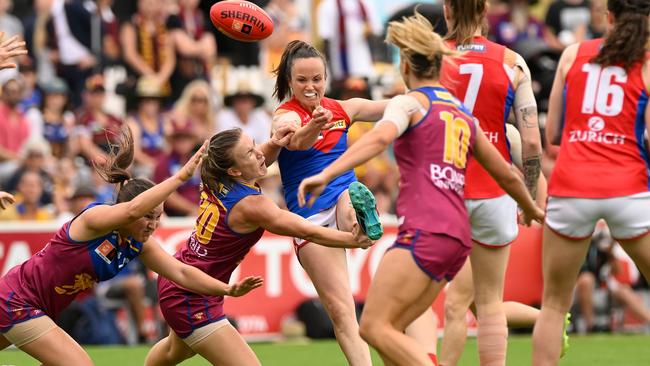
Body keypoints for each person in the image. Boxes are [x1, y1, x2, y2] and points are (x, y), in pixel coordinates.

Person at [298, 12, 544, 366]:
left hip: (427, 230)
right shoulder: (459, 111)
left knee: (374, 327)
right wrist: (530, 204)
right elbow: (505, 173)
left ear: (407, 66)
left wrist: (328, 172)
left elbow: (379, 137)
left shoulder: (409, 102)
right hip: (458, 235)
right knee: (396, 324)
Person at [0, 127, 263, 365]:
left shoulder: (138, 244)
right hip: (17, 300)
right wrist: (181, 177)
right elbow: (132, 210)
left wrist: (226, 289)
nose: (152, 224)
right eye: (148, 216)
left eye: (158, 217)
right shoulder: (95, 219)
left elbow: (181, 273)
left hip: (39, 308)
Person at [144, 128, 374, 366]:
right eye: (250, 153)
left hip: (179, 279)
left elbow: (256, 156)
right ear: (233, 170)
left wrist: (274, 142)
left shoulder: (217, 176)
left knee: (174, 351)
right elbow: (307, 230)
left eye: (254, 145)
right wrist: (353, 239)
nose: (259, 153)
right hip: (190, 296)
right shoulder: (252, 205)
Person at [532, 0, 650, 363]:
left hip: (572, 186)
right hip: (628, 187)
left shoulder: (572, 55)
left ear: (608, 16)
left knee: (553, 305)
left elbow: (552, 133)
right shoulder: (646, 62)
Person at [433, 0, 544, 364]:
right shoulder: (513, 62)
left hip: (444, 186)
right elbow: (530, 141)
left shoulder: (430, 56)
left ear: (447, 11)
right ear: (484, 12)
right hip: (494, 190)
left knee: (443, 303)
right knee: (490, 301)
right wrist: (527, 196)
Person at [271, 40, 389, 366]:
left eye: (317, 79)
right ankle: (360, 230)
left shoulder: (344, 108)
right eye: (302, 80)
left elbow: (391, 108)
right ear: (289, 82)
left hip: (341, 193)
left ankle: (359, 219)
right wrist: (313, 126)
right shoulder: (284, 114)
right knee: (341, 311)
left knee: (350, 196)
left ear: (326, 77)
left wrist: (426, 96)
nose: (311, 87)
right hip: (308, 218)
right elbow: (293, 140)